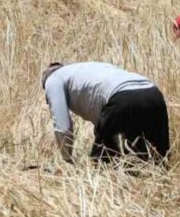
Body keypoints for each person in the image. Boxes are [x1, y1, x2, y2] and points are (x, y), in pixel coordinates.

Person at [41, 61, 170, 164]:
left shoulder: (53, 80)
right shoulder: (85, 69)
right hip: (154, 95)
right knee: (157, 163)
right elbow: (103, 113)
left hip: (123, 98)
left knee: (103, 167)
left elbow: (63, 127)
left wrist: (66, 161)